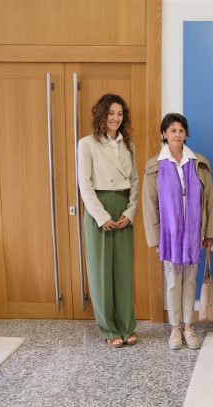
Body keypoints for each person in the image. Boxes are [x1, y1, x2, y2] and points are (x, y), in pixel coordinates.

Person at [142, 113, 213, 350]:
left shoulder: (199, 162)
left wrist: (210, 233)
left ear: (186, 134)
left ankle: (188, 327)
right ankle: (175, 329)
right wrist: (155, 238)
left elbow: (209, 202)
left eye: (181, 130)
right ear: (164, 134)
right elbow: (149, 205)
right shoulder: (155, 166)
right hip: (170, 237)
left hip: (195, 233)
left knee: (191, 283)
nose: (177, 134)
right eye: (172, 130)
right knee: (173, 282)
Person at [78, 94, 139, 348]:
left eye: (120, 114)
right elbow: (85, 184)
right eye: (111, 113)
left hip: (123, 207)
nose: (115, 118)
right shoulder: (87, 144)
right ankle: (108, 328)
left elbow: (134, 181)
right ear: (101, 115)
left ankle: (127, 326)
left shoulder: (128, 145)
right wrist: (101, 216)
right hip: (99, 208)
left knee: (124, 271)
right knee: (101, 272)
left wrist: (130, 211)